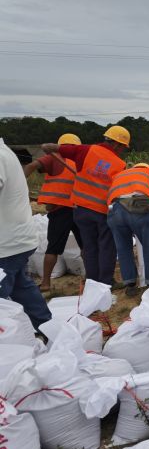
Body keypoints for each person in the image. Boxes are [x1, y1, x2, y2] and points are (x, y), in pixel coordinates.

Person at [42, 125, 130, 286]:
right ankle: (105, 282)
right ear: (117, 144)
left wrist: (50, 149)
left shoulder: (86, 150)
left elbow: (50, 147)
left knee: (89, 247)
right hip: (102, 213)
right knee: (106, 248)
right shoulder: (120, 164)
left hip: (81, 211)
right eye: (123, 147)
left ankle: (92, 282)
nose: (122, 150)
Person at [0, 137, 52, 330]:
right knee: (22, 287)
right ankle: (48, 328)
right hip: (15, 239)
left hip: (7, 242)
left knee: (3, 297)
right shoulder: (6, 153)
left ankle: (9, 343)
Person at [22, 133, 84, 291]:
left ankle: (45, 283)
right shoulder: (79, 162)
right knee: (86, 246)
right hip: (79, 209)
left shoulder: (55, 158)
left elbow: (30, 166)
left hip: (61, 211)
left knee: (53, 248)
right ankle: (90, 278)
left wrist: (18, 185)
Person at [106, 163, 149, 297]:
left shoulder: (119, 175)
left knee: (124, 249)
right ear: (147, 168)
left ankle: (130, 286)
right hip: (139, 206)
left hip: (114, 210)